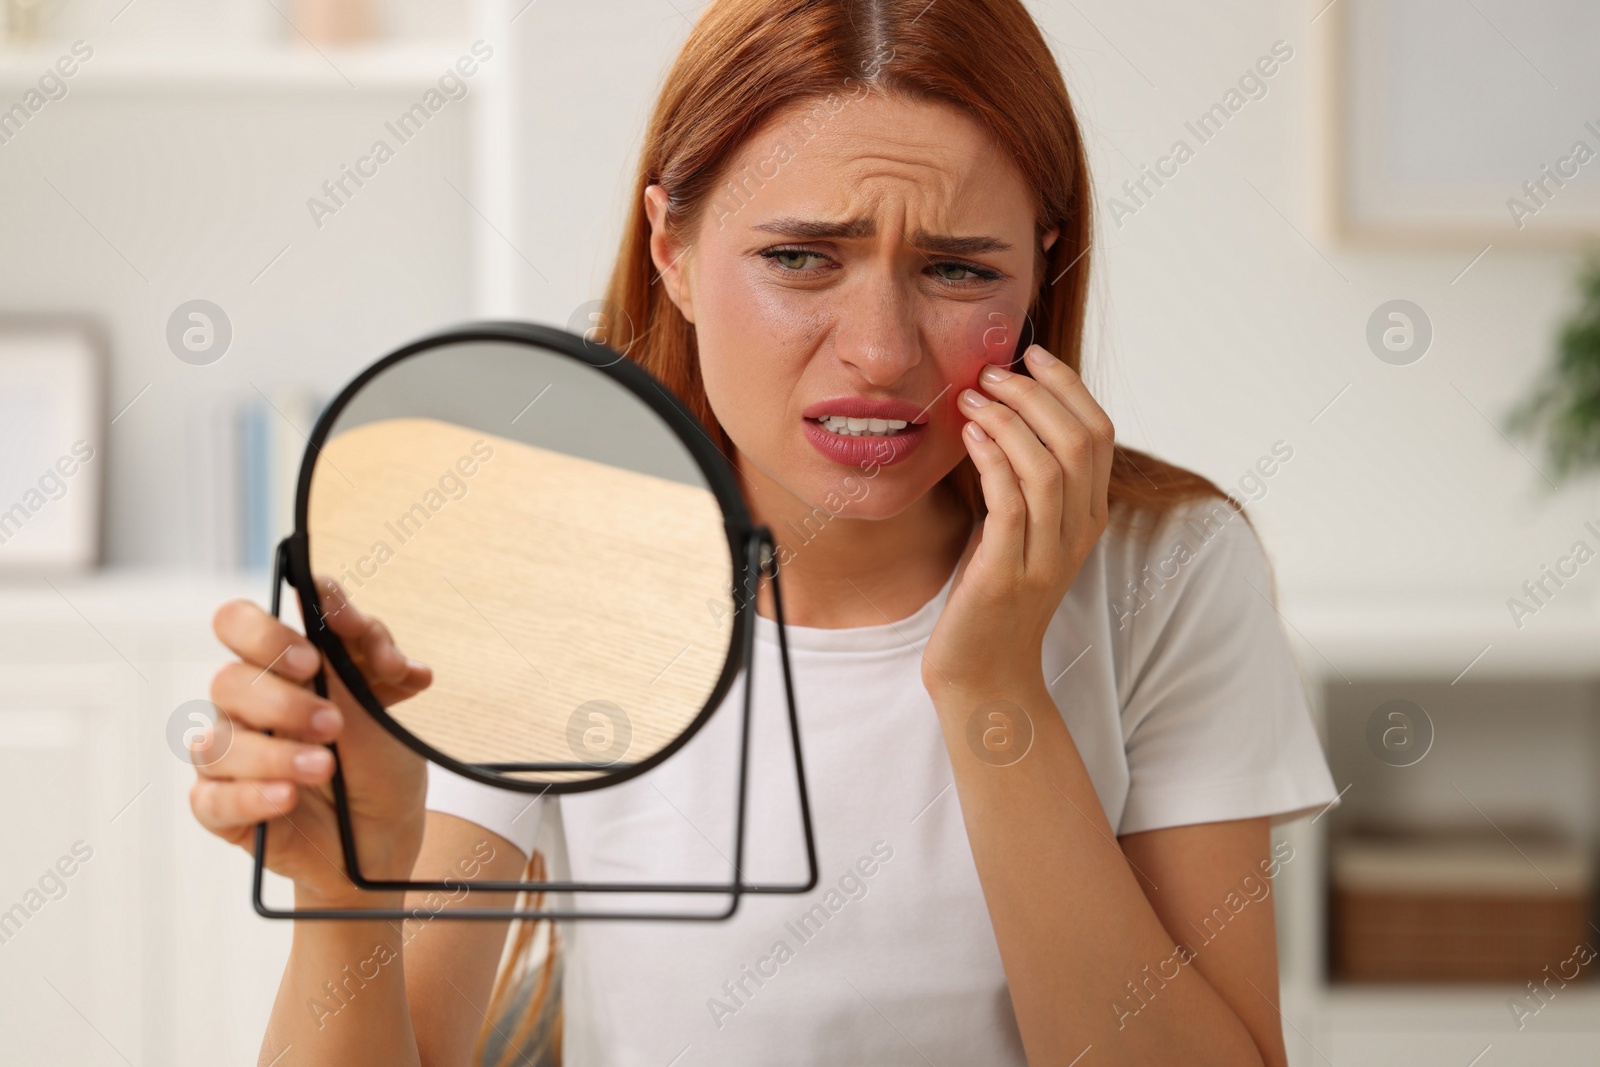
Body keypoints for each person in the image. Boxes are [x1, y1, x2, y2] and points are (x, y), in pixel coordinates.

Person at [191, 1, 1339, 1063]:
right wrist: (347, 887)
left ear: (1041, 265)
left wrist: (994, 686)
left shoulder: (1168, 566)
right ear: (672, 251)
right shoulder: (550, 567)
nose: (881, 351)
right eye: (800, 258)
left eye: (954, 268)